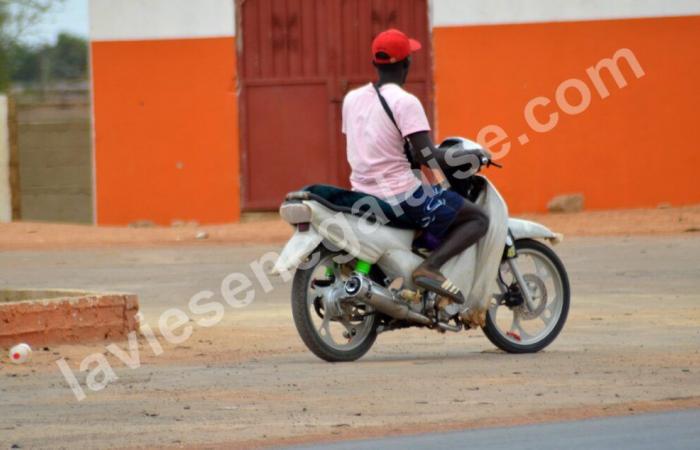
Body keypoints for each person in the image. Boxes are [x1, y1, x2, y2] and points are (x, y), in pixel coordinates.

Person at [341, 29, 489, 303]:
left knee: (441, 206)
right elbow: (426, 156)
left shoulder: (352, 100)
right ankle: (430, 268)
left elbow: (371, 143)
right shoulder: (405, 102)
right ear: (407, 63)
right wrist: (471, 156)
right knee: (478, 218)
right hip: (402, 196)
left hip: (362, 194)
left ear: (375, 63)